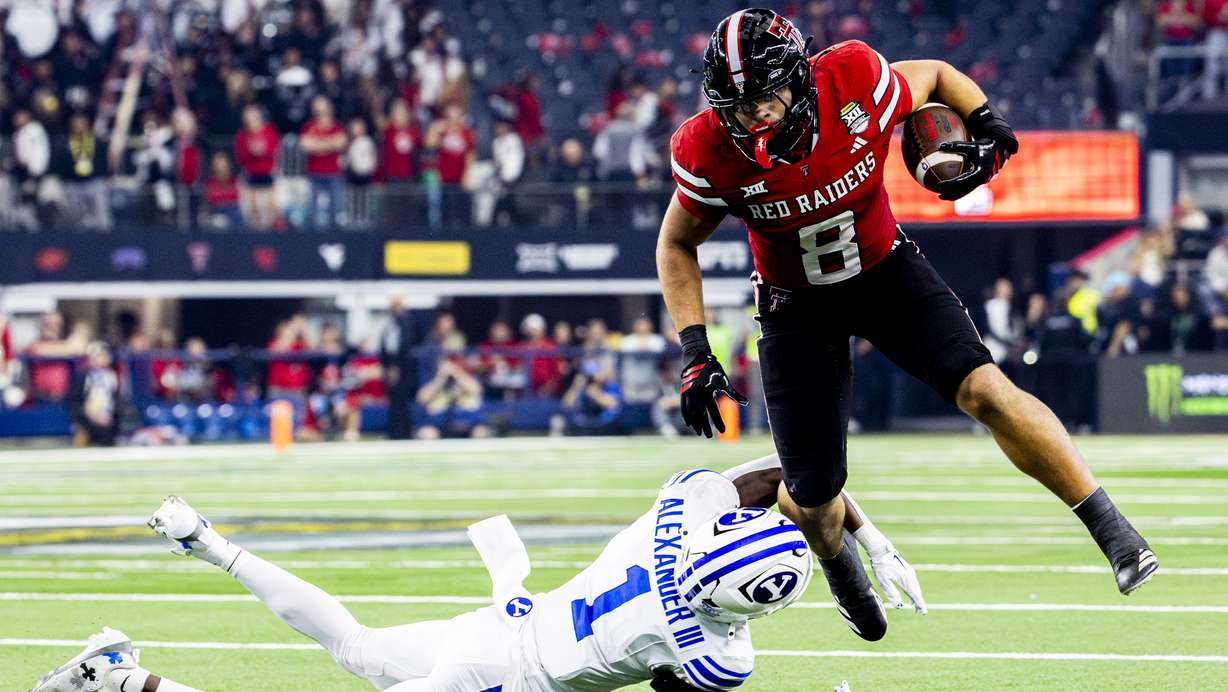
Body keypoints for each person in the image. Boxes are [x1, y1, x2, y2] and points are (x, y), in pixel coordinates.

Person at [655, 10, 1156, 644]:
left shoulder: (853, 79)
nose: (751, 116)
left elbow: (938, 76)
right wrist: (695, 349)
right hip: (795, 305)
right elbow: (676, 243)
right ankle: (843, 571)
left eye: (763, 97)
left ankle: (1113, 530)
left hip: (884, 271)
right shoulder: (706, 148)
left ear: (799, 78)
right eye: (736, 104)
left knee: (986, 389)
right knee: (812, 497)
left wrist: (986, 121)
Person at [32, 454, 924, 691]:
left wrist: (866, 536)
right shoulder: (717, 654)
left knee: (355, 646)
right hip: (502, 682)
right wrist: (851, 567)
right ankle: (123, 679)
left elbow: (791, 472)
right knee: (354, 655)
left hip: (503, 623)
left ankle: (207, 545)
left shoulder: (681, 512)